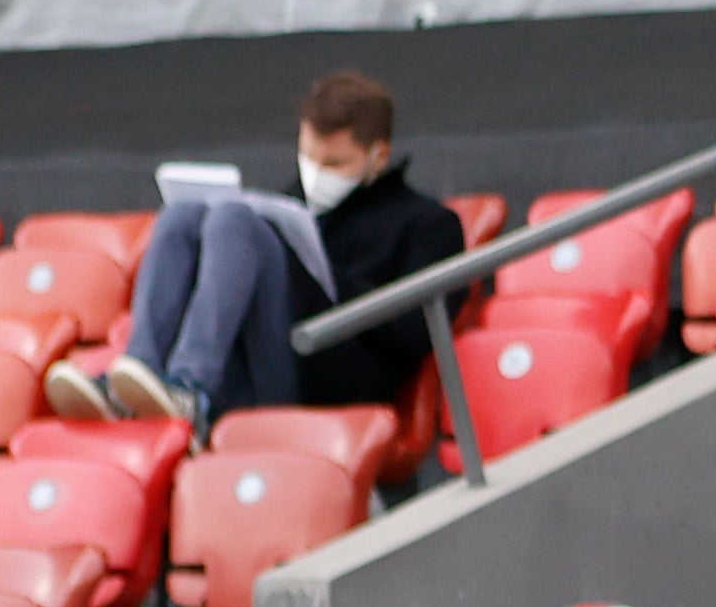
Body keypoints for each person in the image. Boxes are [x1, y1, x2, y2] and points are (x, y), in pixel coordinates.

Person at [58, 68, 457, 426]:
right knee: (183, 217)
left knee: (236, 221)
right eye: (308, 158)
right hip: (255, 364)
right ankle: (135, 375)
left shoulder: (426, 224)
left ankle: (189, 386)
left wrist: (320, 275)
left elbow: (418, 332)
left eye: (334, 164)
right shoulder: (286, 205)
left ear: (378, 157)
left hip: (328, 380)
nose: (316, 175)